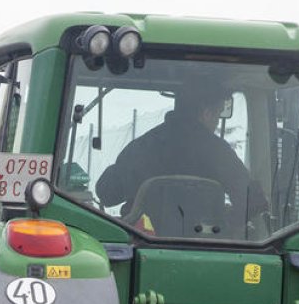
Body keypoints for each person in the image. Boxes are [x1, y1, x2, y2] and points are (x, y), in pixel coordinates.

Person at [95, 80, 262, 231]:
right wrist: (224, 220)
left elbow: (107, 193)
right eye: (218, 115)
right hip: (204, 245)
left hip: (144, 245)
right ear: (206, 113)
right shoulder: (220, 153)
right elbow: (253, 203)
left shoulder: (141, 147)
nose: (217, 122)